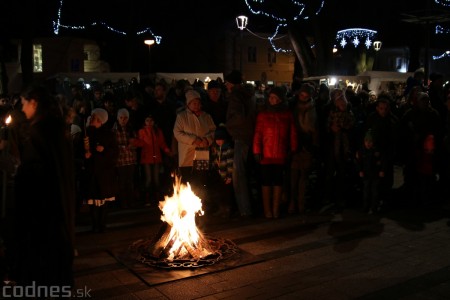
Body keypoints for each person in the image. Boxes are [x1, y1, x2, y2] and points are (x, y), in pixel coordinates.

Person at [10, 85, 75, 289]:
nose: (22, 108)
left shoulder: (41, 130)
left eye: (23, 103)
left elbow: (38, 170)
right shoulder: (52, 127)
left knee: (43, 255)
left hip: (43, 207)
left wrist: (19, 172)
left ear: (34, 103)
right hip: (55, 202)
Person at [253, 86, 297, 218]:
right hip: (265, 155)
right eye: (271, 97)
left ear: (280, 100)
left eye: (275, 98)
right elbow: (258, 134)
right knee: (266, 182)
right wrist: (256, 150)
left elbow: (292, 133)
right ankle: (268, 210)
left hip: (280, 154)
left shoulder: (287, 114)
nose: (273, 100)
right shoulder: (263, 114)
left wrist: (293, 148)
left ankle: (275, 209)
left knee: (278, 181)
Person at [173, 89, 216, 204]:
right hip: (187, 155)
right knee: (186, 181)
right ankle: (186, 206)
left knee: (200, 180)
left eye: (198, 103)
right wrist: (194, 140)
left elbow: (213, 130)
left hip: (202, 154)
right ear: (188, 104)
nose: (197, 106)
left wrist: (207, 140)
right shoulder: (182, 117)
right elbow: (177, 133)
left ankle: (201, 205)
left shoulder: (206, 116)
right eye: (194, 103)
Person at [225, 70, 256, 217]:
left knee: (238, 175)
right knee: (244, 173)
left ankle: (245, 210)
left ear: (231, 83)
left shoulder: (236, 96)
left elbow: (238, 117)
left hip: (241, 136)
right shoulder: (248, 94)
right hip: (249, 136)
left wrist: (228, 125)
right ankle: (247, 207)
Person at [83, 108, 119, 233]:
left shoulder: (109, 134)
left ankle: (102, 224)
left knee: (103, 200)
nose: (92, 119)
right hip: (92, 172)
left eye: (94, 118)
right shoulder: (87, 133)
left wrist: (104, 150)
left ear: (100, 120)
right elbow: (80, 150)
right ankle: (94, 225)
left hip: (104, 173)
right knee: (92, 201)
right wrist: (85, 155)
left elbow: (115, 152)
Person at [288, 83, 319, 214]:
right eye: (302, 94)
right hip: (295, 144)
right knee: (293, 177)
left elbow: (315, 129)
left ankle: (301, 204)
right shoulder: (292, 105)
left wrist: (314, 146)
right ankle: (292, 203)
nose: (304, 97)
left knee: (304, 178)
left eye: (306, 95)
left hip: (307, 146)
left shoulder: (313, 108)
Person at [136, 114, 172, 206]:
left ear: (154, 122)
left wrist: (166, 149)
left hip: (156, 158)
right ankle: (147, 199)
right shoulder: (142, 131)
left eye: (151, 120)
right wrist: (134, 142)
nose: (149, 122)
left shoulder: (158, 131)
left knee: (156, 179)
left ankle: (156, 199)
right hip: (146, 159)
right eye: (147, 120)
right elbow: (141, 143)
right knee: (148, 179)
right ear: (144, 122)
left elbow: (161, 143)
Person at [112, 108, 139, 209]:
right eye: (121, 118)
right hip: (120, 161)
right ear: (118, 118)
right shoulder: (114, 130)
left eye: (126, 118)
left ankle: (130, 202)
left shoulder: (130, 129)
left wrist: (133, 145)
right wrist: (123, 146)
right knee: (122, 182)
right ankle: (123, 203)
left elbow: (136, 142)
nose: (123, 120)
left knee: (130, 182)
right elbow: (113, 145)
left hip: (130, 159)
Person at [356, 130, 386, 214]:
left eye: (370, 141)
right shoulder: (361, 151)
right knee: (366, 191)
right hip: (366, 174)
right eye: (366, 141)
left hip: (375, 174)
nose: (368, 143)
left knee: (375, 192)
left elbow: (383, 160)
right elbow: (359, 162)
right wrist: (360, 170)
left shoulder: (377, 150)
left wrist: (382, 170)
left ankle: (374, 207)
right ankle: (365, 207)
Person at [209, 124, 235, 217]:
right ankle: (221, 209)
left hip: (226, 176)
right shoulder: (216, 149)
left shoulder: (228, 149)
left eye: (221, 139)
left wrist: (229, 176)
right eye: (217, 139)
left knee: (227, 194)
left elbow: (230, 164)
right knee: (220, 193)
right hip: (219, 176)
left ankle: (228, 210)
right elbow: (215, 160)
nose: (219, 141)